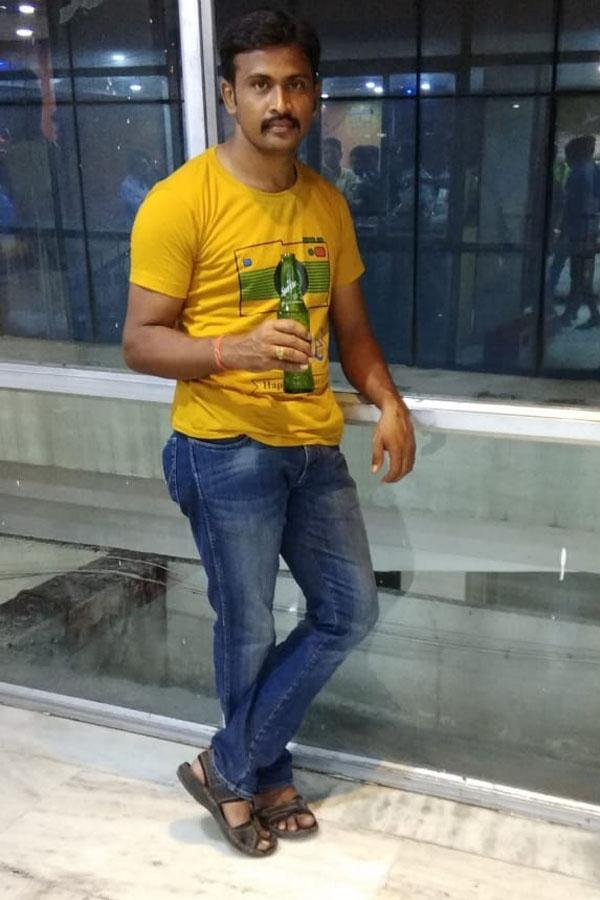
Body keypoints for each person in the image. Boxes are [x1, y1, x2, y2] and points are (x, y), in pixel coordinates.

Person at [123, 7, 415, 859]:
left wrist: (387, 400)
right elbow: (140, 342)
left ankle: (228, 766)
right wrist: (232, 349)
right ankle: (265, 773)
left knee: (349, 610)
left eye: (293, 84)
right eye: (259, 85)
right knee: (246, 626)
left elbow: (353, 331)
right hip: (223, 449)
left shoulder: (326, 203)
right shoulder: (181, 202)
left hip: (312, 447)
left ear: (314, 95)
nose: (278, 102)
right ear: (229, 95)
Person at [550, 135, 600, 329]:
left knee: (575, 272)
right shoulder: (595, 170)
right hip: (590, 229)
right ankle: (575, 311)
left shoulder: (578, 173)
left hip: (576, 229)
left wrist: (562, 230)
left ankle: (580, 313)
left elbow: (570, 205)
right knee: (581, 273)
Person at [120, 150, 158, 225]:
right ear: (135, 166)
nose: (147, 169)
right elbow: (141, 208)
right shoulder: (127, 185)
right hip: (135, 225)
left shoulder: (145, 182)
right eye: (144, 166)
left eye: (148, 166)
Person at [321, 136, 360, 205]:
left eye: (333, 152)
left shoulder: (349, 174)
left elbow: (352, 198)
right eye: (326, 152)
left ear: (340, 155)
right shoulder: (318, 174)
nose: (329, 155)